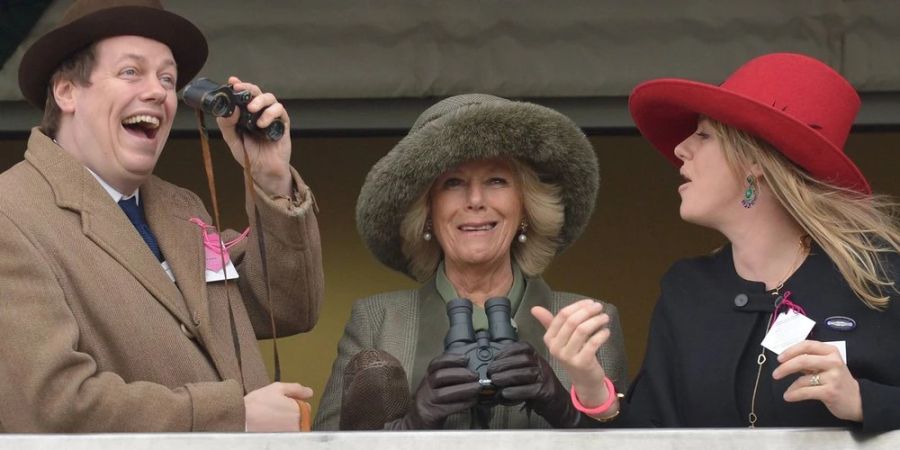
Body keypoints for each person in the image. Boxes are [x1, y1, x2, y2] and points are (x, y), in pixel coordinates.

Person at [0, 0, 324, 432]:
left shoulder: (180, 207)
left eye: (167, 78)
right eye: (131, 72)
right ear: (66, 91)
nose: (158, 91)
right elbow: (54, 404)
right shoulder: (11, 213)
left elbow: (286, 308)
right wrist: (235, 417)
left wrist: (271, 177)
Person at [538, 52, 900, 431]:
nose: (681, 149)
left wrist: (863, 401)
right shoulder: (688, 290)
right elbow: (650, 435)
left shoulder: (876, 278)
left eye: (705, 135)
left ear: (755, 162)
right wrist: (593, 386)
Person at [313, 93, 627, 430]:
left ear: (526, 207)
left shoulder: (586, 320)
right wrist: (413, 424)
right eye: (453, 183)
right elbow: (326, 444)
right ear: (428, 212)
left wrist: (562, 407)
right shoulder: (377, 320)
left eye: (496, 180)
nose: (475, 200)